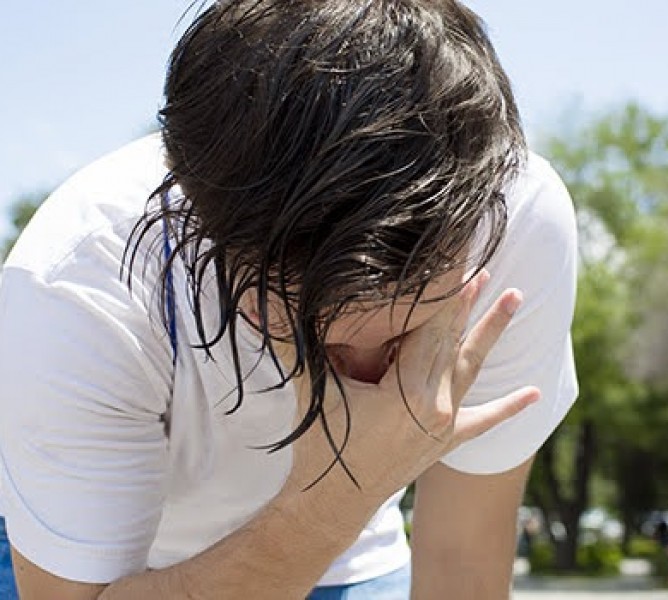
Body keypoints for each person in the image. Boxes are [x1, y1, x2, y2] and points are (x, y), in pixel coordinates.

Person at [0, 0, 579, 598]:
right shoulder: (81, 286)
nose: (376, 387)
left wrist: (339, 512)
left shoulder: (517, 226)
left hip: (350, 554)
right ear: (206, 236)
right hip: (79, 558)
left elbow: (460, 560)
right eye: (315, 333)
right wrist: (335, 500)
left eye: (413, 326)